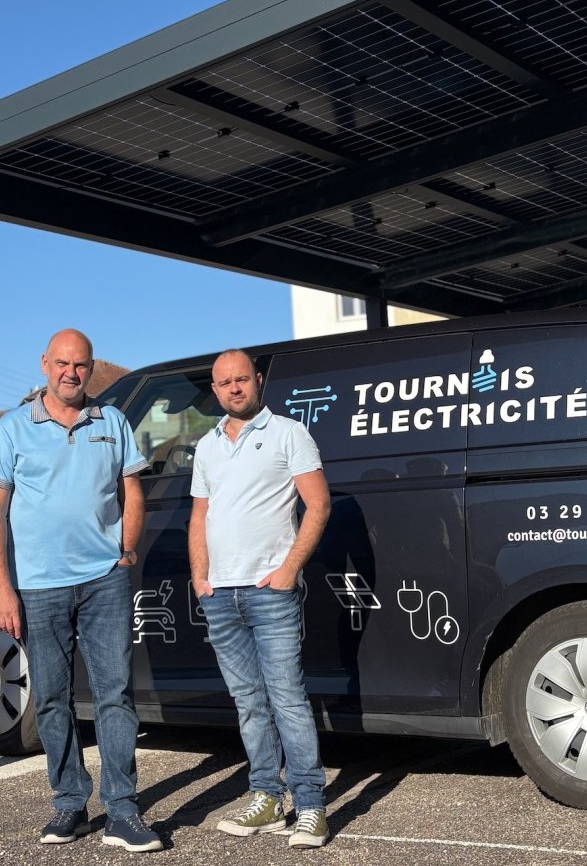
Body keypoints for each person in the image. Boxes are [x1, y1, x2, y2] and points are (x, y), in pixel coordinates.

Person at [0, 328, 162, 854]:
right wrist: (1, 586)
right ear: (44, 364)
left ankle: (123, 812)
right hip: (38, 586)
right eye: (61, 363)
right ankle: (69, 803)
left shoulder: (113, 422)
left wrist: (126, 549)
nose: (70, 373)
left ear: (91, 367)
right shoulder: (13, 428)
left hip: (104, 579)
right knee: (53, 699)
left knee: (115, 695)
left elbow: (131, 488)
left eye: (80, 365)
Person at [189, 349, 332, 849]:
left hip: (269, 592)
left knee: (288, 698)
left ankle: (311, 804)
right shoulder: (205, 446)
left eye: (242, 379)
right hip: (220, 596)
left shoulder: (289, 433)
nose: (234, 388)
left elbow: (318, 503)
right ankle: (267, 797)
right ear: (215, 389)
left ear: (258, 380)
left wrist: (289, 568)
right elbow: (200, 516)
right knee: (248, 702)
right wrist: (200, 578)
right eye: (224, 382)